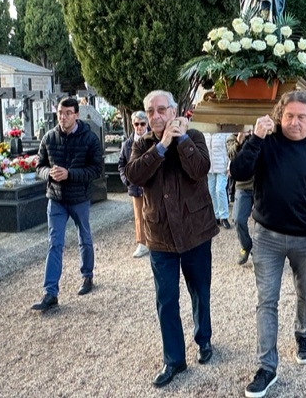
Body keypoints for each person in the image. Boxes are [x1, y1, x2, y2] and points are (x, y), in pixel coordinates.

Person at [231, 91, 306, 398]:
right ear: (278, 116)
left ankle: (303, 333)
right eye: (288, 116)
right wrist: (255, 138)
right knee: (266, 301)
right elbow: (239, 172)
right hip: (267, 237)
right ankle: (267, 367)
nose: (294, 123)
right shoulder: (266, 143)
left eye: (301, 117)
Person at [124, 90, 220, 388]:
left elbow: (200, 169)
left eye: (161, 110)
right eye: (150, 111)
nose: (155, 116)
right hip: (160, 236)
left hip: (195, 231)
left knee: (199, 290)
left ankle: (203, 339)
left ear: (174, 111)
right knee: (166, 299)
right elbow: (133, 176)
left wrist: (180, 141)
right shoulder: (142, 145)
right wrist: (162, 147)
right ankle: (174, 359)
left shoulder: (195, 138)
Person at [31, 97, 103, 311]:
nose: (63, 117)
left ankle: (87, 276)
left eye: (68, 113)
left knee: (85, 237)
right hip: (56, 199)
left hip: (79, 197)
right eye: (60, 113)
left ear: (77, 115)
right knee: (55, 243)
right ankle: (50, 292)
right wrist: (49, 174)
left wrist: (69, 174)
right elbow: (39, 165)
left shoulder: (89, 139)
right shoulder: (49, 137)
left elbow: (95, 169)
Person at [118, 110, 150, 258]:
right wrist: (127, 181)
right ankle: (142, 243)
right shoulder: (127, 144)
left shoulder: (153, 139)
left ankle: (154, 241)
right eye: (136, 124)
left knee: (153, 212)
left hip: (151, 184)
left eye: (142, 124)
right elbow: (121, 164)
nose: (139, 127)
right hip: (135, 186)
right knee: (138, 215)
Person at [226, 129, 254, 265]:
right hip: (243, 186)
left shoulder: (261, 135)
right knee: (238, 219)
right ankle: (246, 245)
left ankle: (261, 251)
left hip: (263, 185)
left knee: (264, 223)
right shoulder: (232, 138)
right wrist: (239, 141)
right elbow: (232, 157)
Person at [204, 131, 232, 229]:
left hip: (222, 167)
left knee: (220, 189)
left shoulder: (225, 133)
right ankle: (216, 215)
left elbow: (231, 150)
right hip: (210, 167)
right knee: (211, 191)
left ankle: (224, 216)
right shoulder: (205, 133)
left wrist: (229, 166)